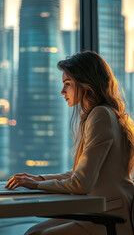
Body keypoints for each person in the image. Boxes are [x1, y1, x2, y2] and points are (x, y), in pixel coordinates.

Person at [6, 51, 134, 235]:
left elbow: (81, 184)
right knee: (34, 231)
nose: (62, 92)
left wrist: (36, 185)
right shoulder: (109, 114)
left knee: (35, 234)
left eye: (67, 84)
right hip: (105, 209)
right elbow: (78, 174)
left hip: (109, 214)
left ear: (86, 84)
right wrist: (39, 179)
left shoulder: (100, 115)